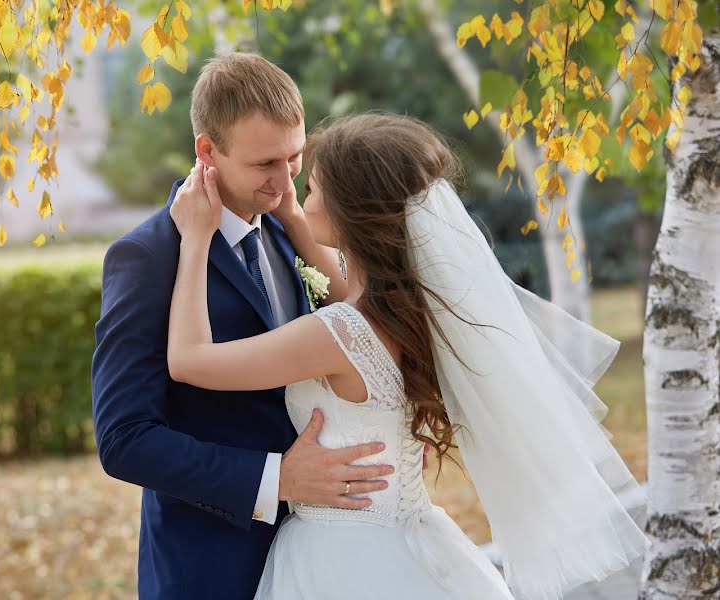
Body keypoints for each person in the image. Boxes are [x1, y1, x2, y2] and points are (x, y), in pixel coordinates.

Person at [167, 112, 649, 599]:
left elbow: (189, 360)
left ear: (347, 211)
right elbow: (344, 288)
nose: (298, 196)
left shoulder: (335, 334)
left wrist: (195, 239)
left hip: (345, 556)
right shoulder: (413, 308)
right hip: (413, 537)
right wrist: (295, 218)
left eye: (311, 190)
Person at [91, 54, 397, 600]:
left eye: (295, 158)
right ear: (207, 151)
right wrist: (276, 479)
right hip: (210, 568)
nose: (284, 184)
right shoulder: (146, 257)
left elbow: (360, 322)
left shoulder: (285, 230)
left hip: (318, 557)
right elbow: (124, 439)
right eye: (265, 165)